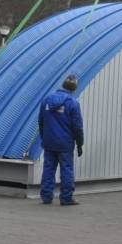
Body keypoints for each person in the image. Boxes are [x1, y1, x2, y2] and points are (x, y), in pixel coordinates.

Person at [37, 74, 84, 206]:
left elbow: (41, 121)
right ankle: (66, 198)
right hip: (65, 144)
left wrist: (44, 138)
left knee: (48, 169)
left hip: (49, 142)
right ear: (74, 89)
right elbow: (78, 127)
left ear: (63, 85)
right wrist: (80, 144)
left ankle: (46, 197)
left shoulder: (46, 100)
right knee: (66, 170)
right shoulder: (73, 103)